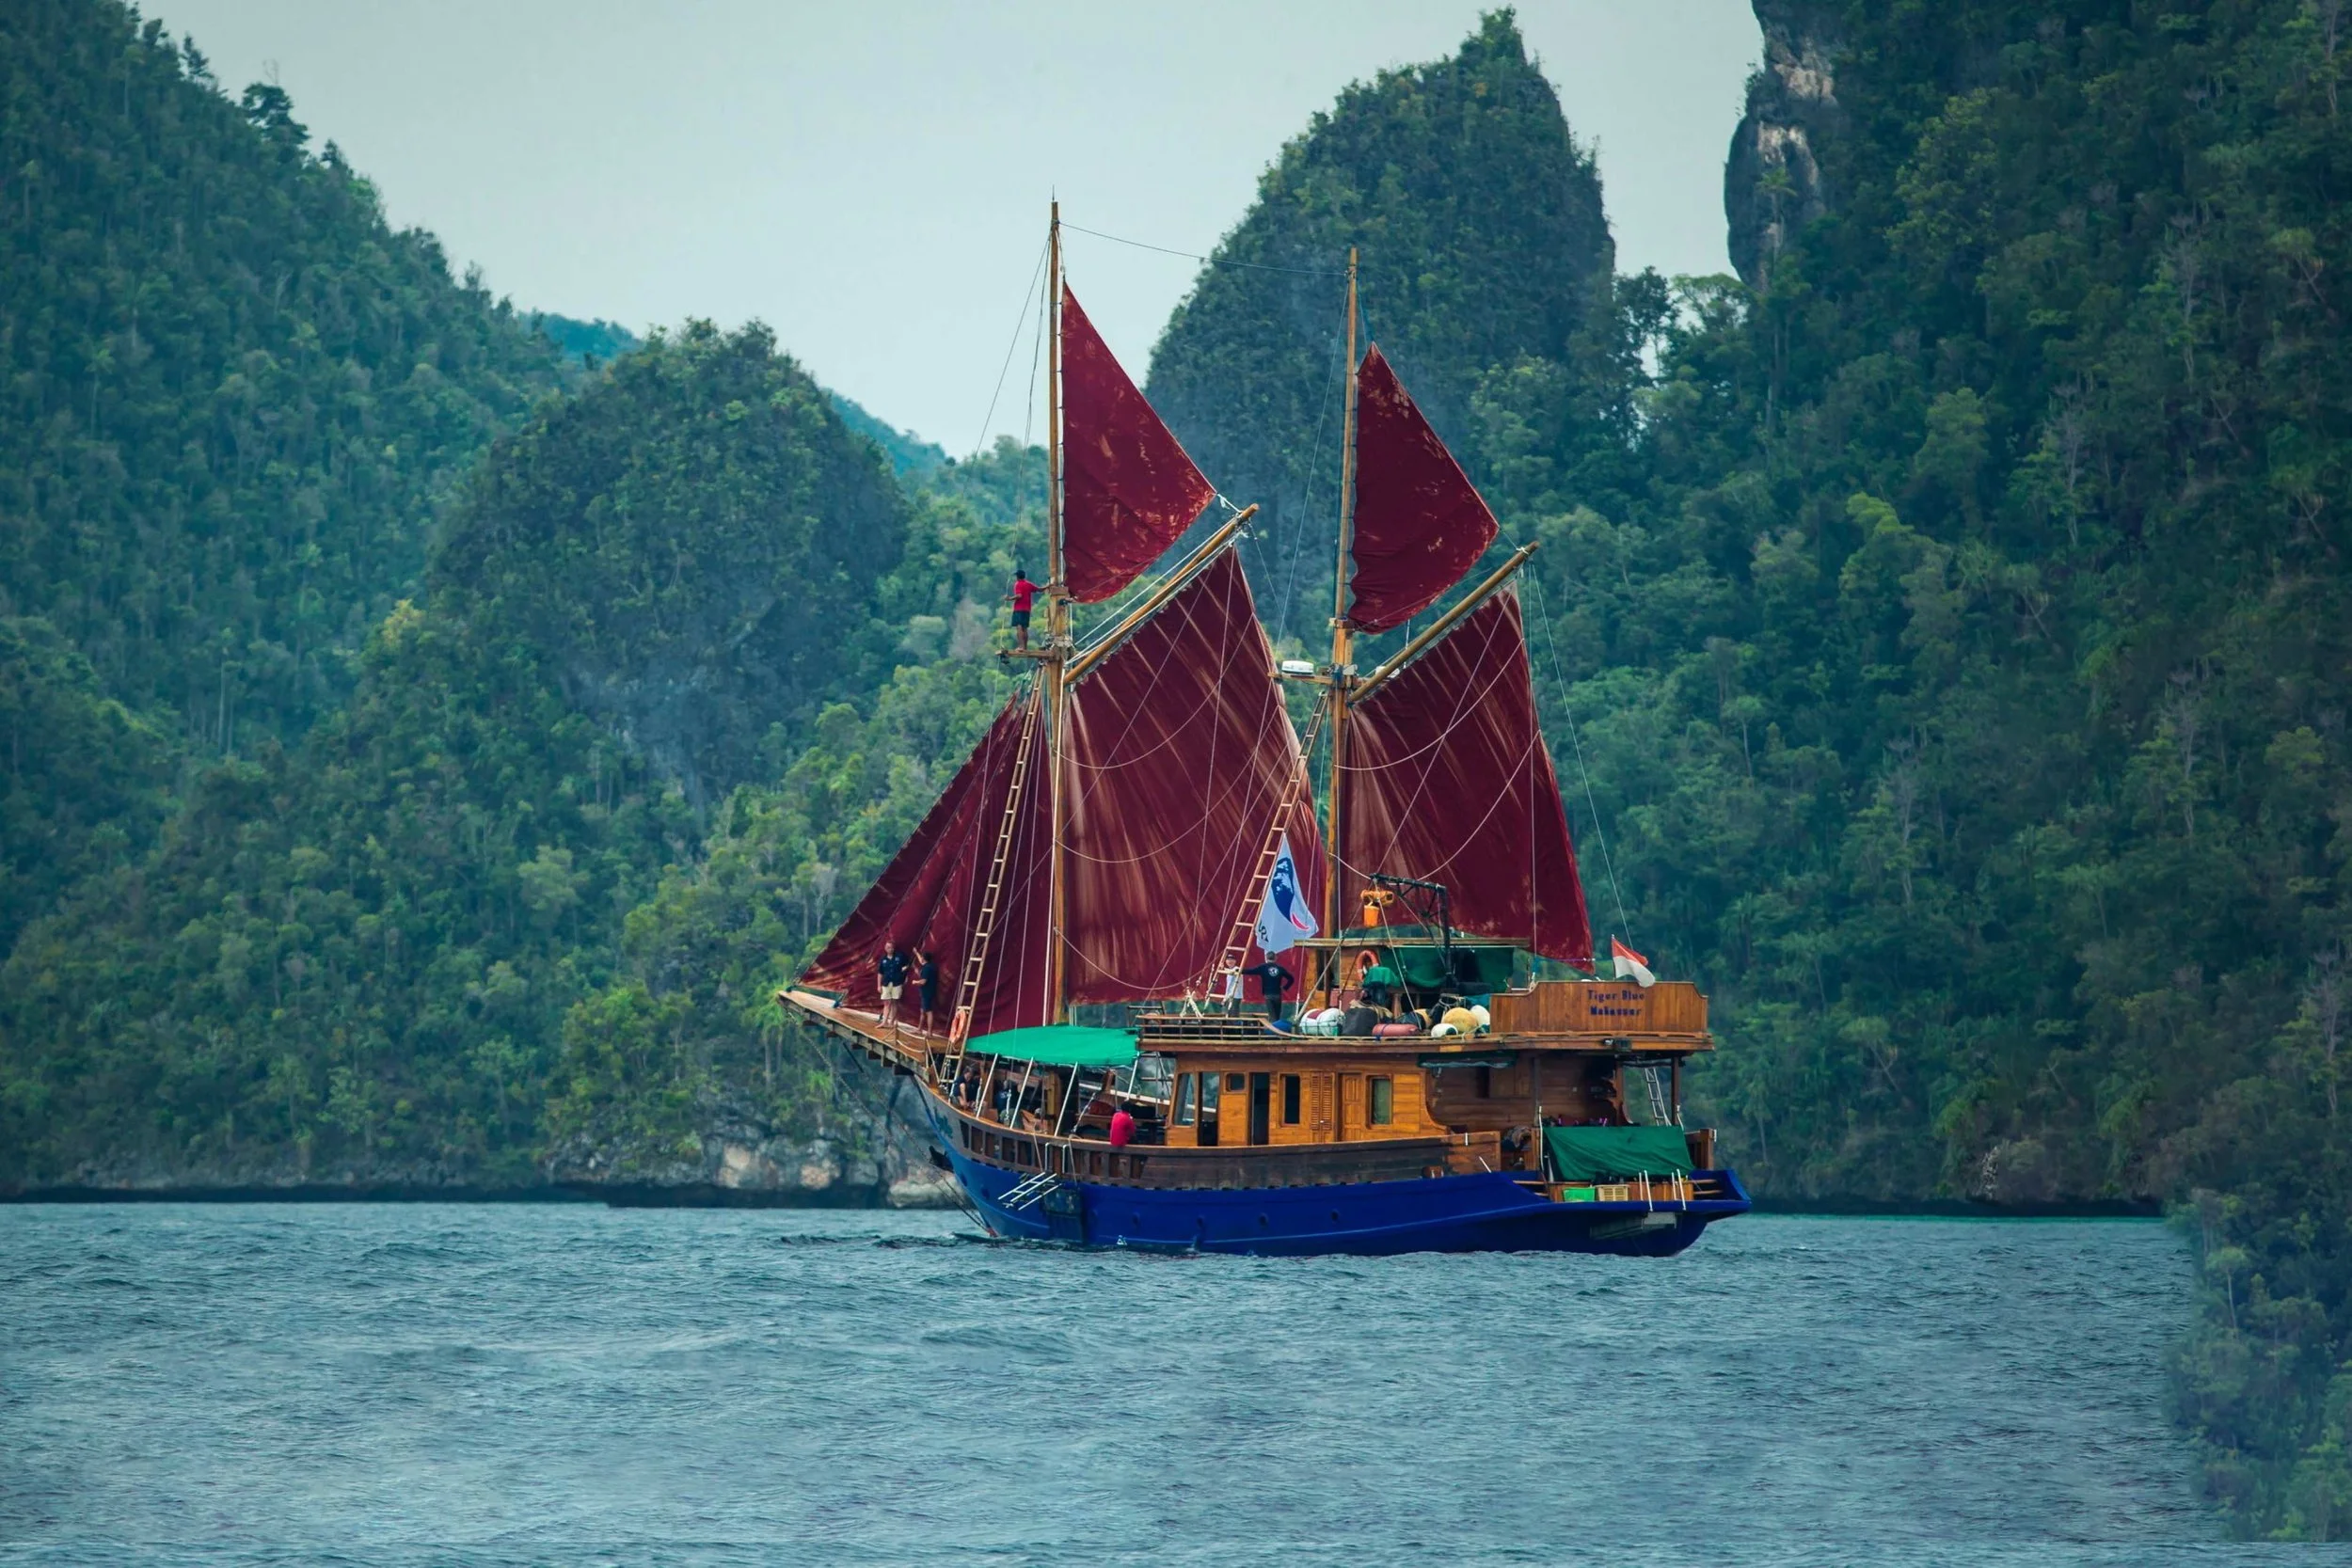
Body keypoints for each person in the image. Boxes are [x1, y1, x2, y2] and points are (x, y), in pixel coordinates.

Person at [1243, 958, 1295, 1023]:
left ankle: (1273, 1029)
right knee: (1277, 1014)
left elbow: (1251, 971)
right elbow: (1291, 979)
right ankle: (1277, 1028)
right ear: (1275, 958)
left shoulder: (1263, 967)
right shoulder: (1280, 968)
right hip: (1277, 994)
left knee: (1272, 1014)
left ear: (1266, 958)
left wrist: (1240, 970)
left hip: (1268, 994)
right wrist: (1285, 987)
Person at [1003, 567, 1040, 652]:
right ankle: (1025, 647)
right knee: (1025, 628)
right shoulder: (1028, 584)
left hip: (1019, 609)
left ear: (1017, 577)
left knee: (1019, 627)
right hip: (1027, 610)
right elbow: (1039, 589)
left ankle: (1021, 647)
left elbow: (1019, 595)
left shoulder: (1018, 584)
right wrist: (1048, 586)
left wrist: (1009, 598)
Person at [876, 942, 910, 1024]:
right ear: (885, 948)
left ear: (893, 948)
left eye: (891, 947)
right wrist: (879, 985)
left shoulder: (900, 956)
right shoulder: (883, 959)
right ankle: (884, 1022)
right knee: (886, 1003)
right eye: (887, 947)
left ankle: (891, 1022)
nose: (889, 949)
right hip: (886, 983)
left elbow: (908, 965)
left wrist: (903, 973)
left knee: (895, 1002)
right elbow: (880, 973)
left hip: (897, 982)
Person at [914, 949, 940, 1026]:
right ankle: (919, 1029)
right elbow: (921, 961)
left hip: (926, 992)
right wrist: (916, 953)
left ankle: (929, 1032)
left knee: (928, 1012)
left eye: (921, 957)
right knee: (922, 1010)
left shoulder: (926, 968)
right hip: (929, 991)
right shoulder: (932, 966)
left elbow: (923, 982)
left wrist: (915, 982)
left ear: (924, 958)